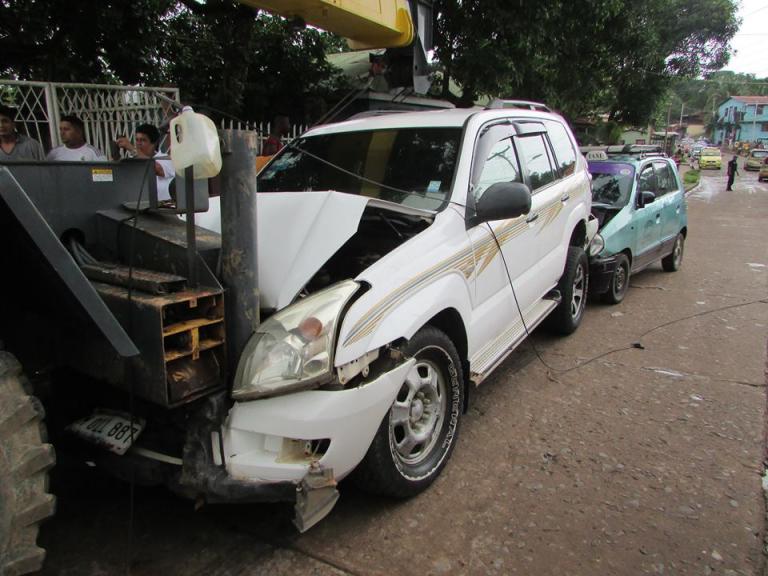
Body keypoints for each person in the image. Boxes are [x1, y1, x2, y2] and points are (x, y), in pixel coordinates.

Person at [116, 123, 175, 201]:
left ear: (154, 143)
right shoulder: (132, 160)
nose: (138, 144)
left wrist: (131, 149)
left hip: (164, 209)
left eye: (143, 140)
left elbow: (156, 168)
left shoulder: (165, 159)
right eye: (137, 140)